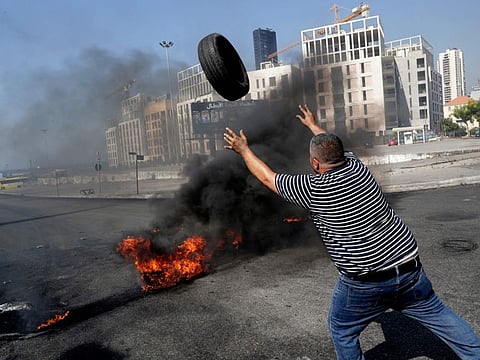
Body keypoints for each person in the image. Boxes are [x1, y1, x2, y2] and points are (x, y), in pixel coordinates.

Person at [223, 104, 480, 359]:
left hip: (366, 282)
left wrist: (244, 149)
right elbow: (333, 148)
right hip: (409, 267)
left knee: (343, 330)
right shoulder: (358, 166)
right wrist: (313, 125)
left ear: (314, 163)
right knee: (439, 315)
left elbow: (268, 178)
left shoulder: (314, 188)